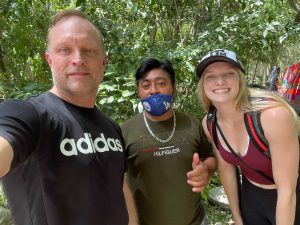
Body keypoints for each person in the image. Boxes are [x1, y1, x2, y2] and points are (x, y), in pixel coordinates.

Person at [0, 9, 134, 225]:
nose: (78, 59)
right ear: (49, 59)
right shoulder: (28, 115)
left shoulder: (111, 127)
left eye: (89, 50)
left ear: (103, 61)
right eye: (65, 50)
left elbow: (119, 187)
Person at [196, 49, 300, 225]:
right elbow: (226, 168)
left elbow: (287, 189)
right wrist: (237, 216)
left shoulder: (272, 117)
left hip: (290, 197)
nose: (219, 81)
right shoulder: (210, 123)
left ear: (240, 79)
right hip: (251, 196)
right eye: (210, 76)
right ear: (203, 85)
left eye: (229, 73)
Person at [121, 58, 217, 225]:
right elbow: (115, 180)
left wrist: (206, 170)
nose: (153, 91)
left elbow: (211, 157)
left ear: (173, 88)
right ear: (138, 91)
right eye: (146, 85)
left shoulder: (192, 124)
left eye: (161, 83)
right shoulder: (125, 131)